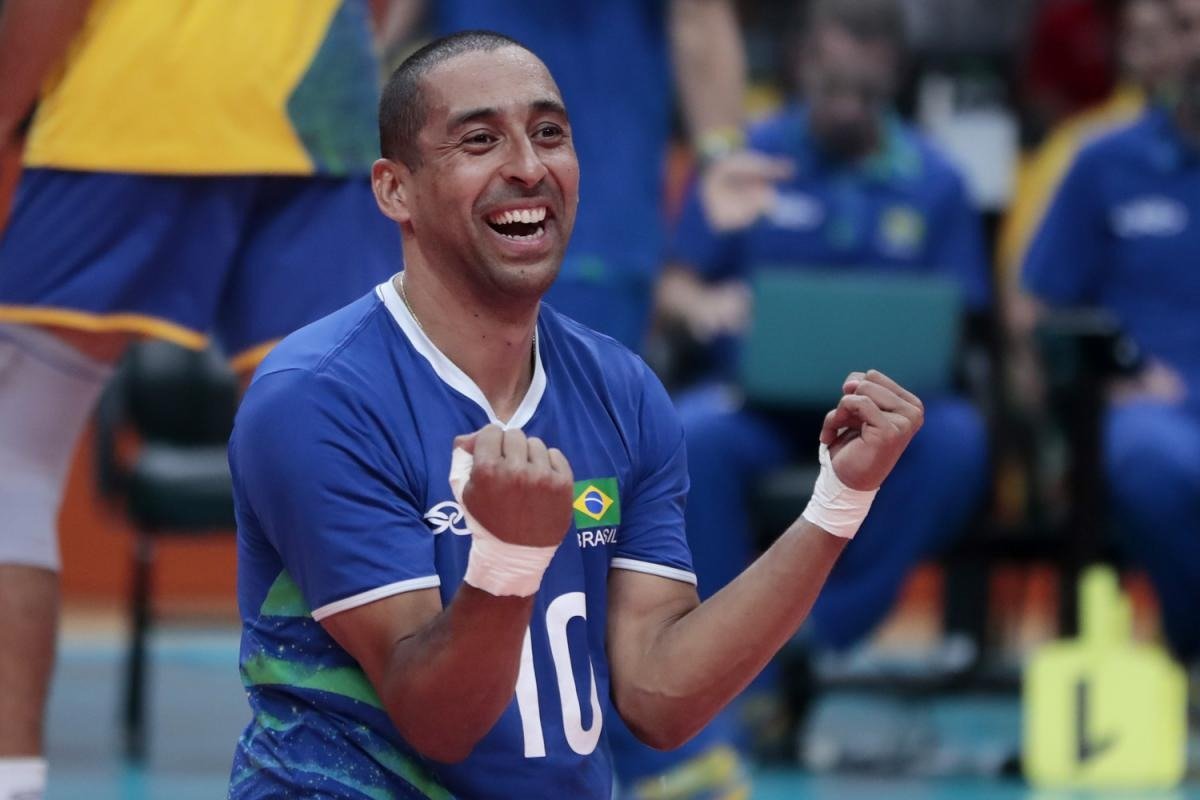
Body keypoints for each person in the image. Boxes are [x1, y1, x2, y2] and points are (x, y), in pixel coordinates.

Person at [227, 31, 924, 798]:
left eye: (549, 133)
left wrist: (837, 503)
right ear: (395, 190)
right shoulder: (315, 396)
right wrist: (508, 562)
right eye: (480, 140)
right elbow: (437, 717)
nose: (528, 167)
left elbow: (659, 694)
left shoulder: (623, 391)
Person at [0, 2, 400, 798]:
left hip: (136, 104)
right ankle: (376, 777)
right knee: (354, 470)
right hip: (320, 111)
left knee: (12, 460)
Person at [658, 0, 989, 650]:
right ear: (802, 62)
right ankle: (719, 647)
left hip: (886, 422)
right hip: (758, 411)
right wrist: (700, 304)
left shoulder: (938, 182)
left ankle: (814, 636)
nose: (843, 104)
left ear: (891, 68)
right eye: (829, 85)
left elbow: (962, 317)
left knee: (959, 442)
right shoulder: (749, 158)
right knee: (689, 435)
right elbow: (672, 281)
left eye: (860, 90)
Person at [434, 0, 791, 352]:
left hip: (471, 211)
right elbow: (697, 12)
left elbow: (384, 29)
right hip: (600, 225)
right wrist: (721, 151)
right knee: (577, 400)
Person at [1022, 0, 1200, 664]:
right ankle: (1192, 646)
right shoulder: (1102, 162)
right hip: (1150, 410)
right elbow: (1038, 310)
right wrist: (1105, 377)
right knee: (1151, 462)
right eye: (1183, 29)